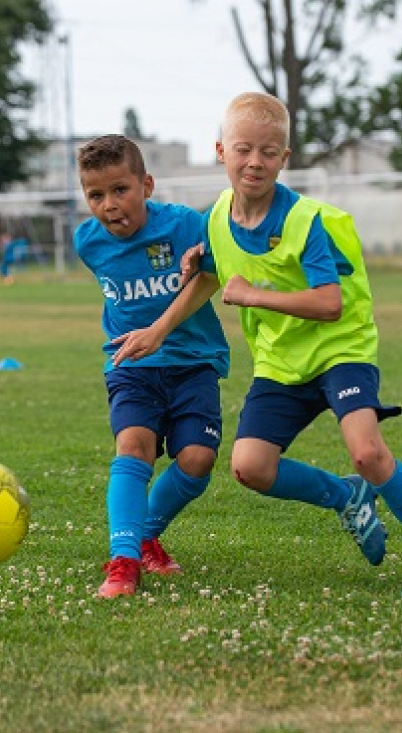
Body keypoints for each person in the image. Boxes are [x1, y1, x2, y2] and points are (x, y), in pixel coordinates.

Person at [112, 92, 402, 598]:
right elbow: (211, 275)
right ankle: (346, 497)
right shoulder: (217, 215)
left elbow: (330, 303)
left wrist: (253, 294)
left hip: (338, 350)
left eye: (268, 151)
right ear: (222, 151)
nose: (254, 162)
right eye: (243, 149)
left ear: (286, 157)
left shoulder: (306, 222)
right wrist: (159, 329)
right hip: (282, 362)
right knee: (250, 467)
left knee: (368, 452)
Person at [74, 134, 231, 598]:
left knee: (197, 461)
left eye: (120, 190)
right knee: (133, 444)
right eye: (95, 195)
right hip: (130, 365)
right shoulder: (88, 242)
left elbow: (215, 273)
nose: (109, 205)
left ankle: (145, 534)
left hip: (193, 362)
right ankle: (123, 562)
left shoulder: (183, 225)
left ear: (146, 184)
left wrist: (161, 327)